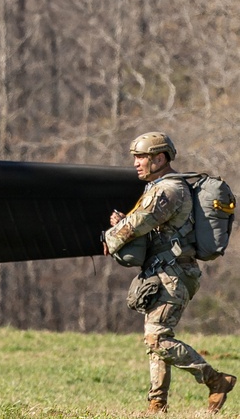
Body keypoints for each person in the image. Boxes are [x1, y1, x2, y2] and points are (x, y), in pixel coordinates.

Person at [103, 132, 236, 414]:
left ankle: (215, 380)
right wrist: (122, 224)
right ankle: (157, 404)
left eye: (142, 157)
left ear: (160, 158)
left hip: (174, 274)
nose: (136, 163)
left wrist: (111, 236)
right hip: (165, 271)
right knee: (156, 342)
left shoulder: (168, 190)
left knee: (158, 339)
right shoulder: (160, 187)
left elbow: (139, 223)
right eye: (136, 158)